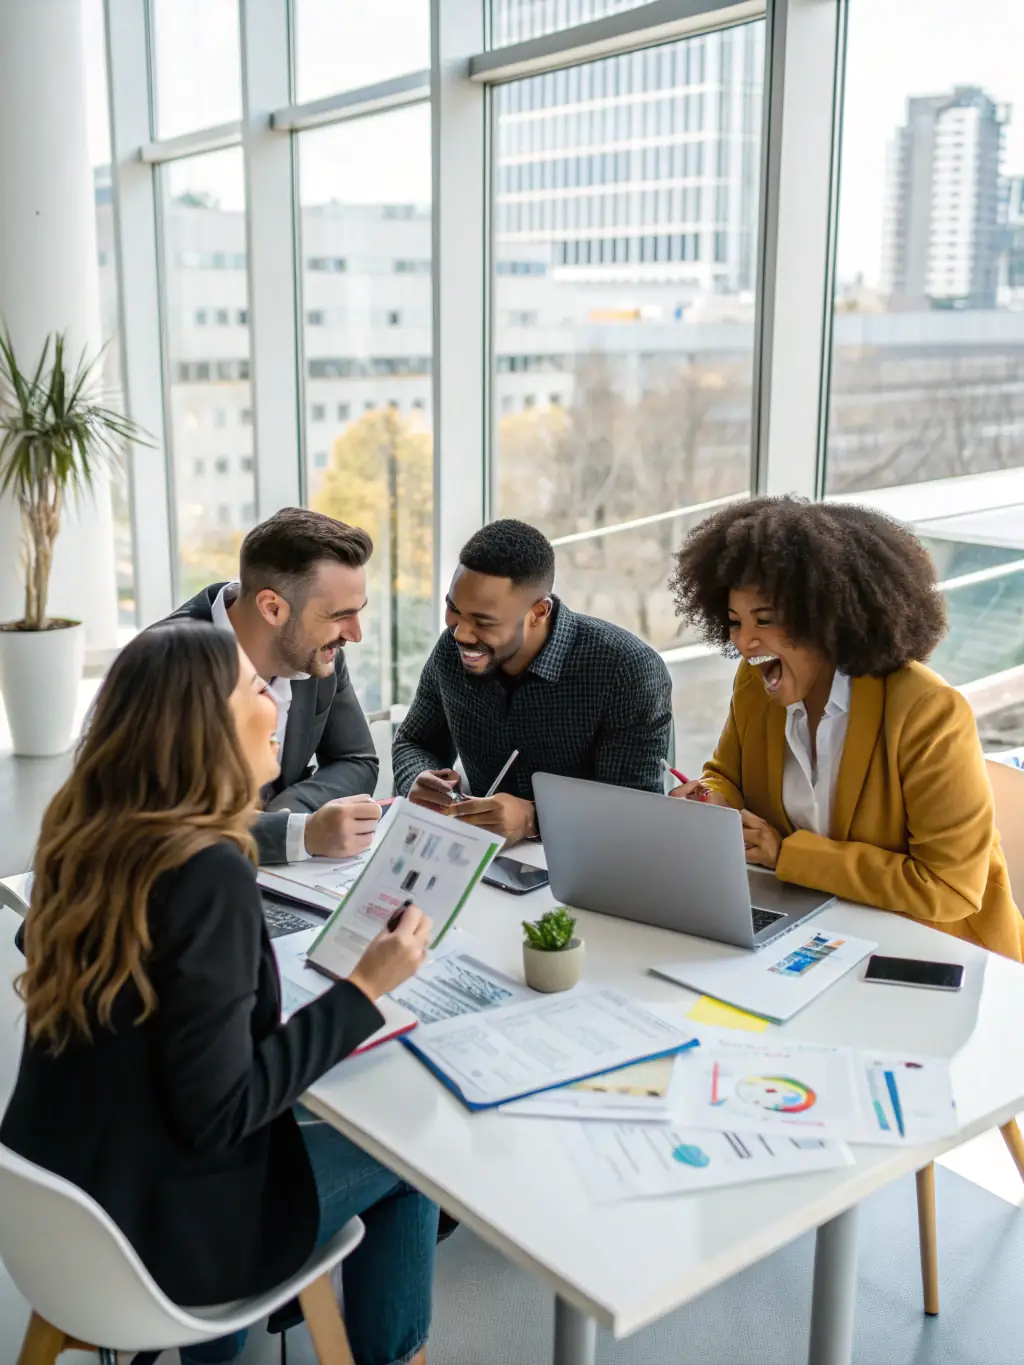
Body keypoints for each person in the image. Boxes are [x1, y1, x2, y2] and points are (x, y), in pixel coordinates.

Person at [0, 621, 438, 1365]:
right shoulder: (207, 873)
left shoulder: (82, 838)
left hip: (55, 1208)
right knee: (409, 1157)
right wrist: (366, 985)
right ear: (202, 725)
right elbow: (221, 1112)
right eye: (253, 687)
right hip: (162, 1244)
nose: (276, 699)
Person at [668, 495, 1023, 961]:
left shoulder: (927, 711)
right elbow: (728, 775)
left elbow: (949, 889)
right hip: (813, 931)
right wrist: (711, 799)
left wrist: (787, 855)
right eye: (734, 622)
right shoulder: (757, 686)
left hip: (932, 952)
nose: (743, 642)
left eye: (764, 621)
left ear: (827, 618)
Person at [392, 518, 673, 843]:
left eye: (484, 621)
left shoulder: (626, 670)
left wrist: (534, 818)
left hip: (588, 869)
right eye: (454, 608)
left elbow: (634, 811)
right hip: (479, 858)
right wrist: (421, 779)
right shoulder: (450, 650)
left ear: (538, 612)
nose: (460, 632)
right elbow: (414, 743)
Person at [169, 507, 382, 866]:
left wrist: (291, 810)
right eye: (340, 615)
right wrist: (299, 833)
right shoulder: (167, 670)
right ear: (272, 608)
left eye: (358, 611)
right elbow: (164, 825)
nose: (355, 634)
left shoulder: (315, 650)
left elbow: (357, 760)